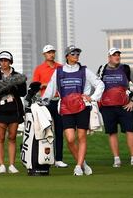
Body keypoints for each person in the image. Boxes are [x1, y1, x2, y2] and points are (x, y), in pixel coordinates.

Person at [42, 45, 103, 176]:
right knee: (70, 139)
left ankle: (78, 166)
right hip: (66, 108)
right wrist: (43, 102)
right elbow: (51, 89)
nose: (76, 56)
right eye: (73, 53)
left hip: (82, 108)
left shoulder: (84, 70)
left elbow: (100, 84)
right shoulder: (58, 71)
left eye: (77, 53)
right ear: (67, 56)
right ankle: (83, 163)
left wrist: (92, 98)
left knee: (81, 137)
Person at [98, 47, 133, 167]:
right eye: (114, 55)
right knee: (112, 132)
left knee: (130, 130)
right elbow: (97, 86)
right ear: (109, 57)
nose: (117, 57)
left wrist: (132, 101)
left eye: (118, 55)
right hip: (107, 107)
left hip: (124, 107)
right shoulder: (102, 69)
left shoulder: (126, 69)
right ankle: (116, 159)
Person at [0, 51, 27, 174]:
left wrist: (13, 85)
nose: (3, 63)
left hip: (14, 109)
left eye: (6, 61)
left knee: (12, 137)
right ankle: (1, 165)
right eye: (1, 61)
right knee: (0, 138)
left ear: (10, 62)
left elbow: (23, 92)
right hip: (0, 110)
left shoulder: (17, 76)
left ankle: (12, 165)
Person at [31, 44, 68, 168]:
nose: (51, 54)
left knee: (59, 130)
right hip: (45, 102)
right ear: (44, 55)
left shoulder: (61, 67)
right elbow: (35, 86)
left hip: (59, 101)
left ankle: (58, 159)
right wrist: (46, 85)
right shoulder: (39, 69)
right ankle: (45, 157)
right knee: (46, 129)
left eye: (52, 52)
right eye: (48, 53)